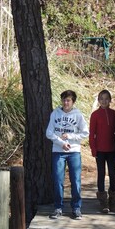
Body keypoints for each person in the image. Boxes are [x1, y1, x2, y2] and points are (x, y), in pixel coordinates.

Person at [46, 90, 89, 220]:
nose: (66, 103)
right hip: (58, 151)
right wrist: (60, 142)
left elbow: (85, 132)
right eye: (64, 100)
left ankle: (76, 208)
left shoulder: (78, 115)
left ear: (73, 102)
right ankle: (58, 207)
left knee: (75, 180)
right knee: (58, 180)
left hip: (74, 151)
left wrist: (70, 136)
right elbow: (49, 132)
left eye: (68, 100)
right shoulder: (55, 114)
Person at [89, 90, 115, 213]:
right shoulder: (95, 114)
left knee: (112, 174)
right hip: (100, 150)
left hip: (112, 149)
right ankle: (103, 201)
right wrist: (93, 149)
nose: (104, 101)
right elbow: (92, 134)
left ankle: (112, 198)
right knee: (101, 174)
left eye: (106, 98)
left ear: (110, 100)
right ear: (99, 100)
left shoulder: (113, 113)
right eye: (101, 99)